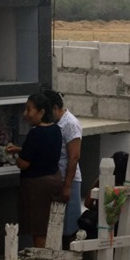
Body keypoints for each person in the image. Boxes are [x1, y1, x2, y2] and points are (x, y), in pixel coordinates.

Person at [5, 93, 63, 250]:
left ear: (41, 112)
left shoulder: (35, 133)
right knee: (52, 227)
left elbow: (24, 164)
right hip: (54, 180)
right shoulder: (56, 129)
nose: (25, 114)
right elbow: (43, 151)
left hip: (38, 186)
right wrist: (21, 149)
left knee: (39, 229)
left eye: (29, 109)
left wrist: (16, 158)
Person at [43, 89, 83, 246]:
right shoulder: (53, 124)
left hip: (68, 179)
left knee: (69, 227)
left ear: (54, 108)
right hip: (54, 178)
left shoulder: (70, 124)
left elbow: (74, 156)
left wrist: (67, 185)